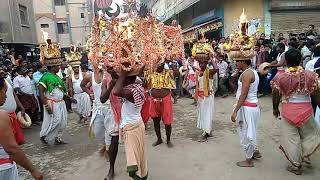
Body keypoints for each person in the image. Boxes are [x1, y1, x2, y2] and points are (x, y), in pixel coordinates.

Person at [271, 48, 320, 175]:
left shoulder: (280, 77)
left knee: (292, 139)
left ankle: (296, 165)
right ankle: (305, 155)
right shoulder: (311, 75)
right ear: (301, 60)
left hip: (288, 111)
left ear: (286, 61)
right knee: (309, 134)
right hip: (307, 110)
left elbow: (276, 94)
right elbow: (317, 94)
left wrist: (275, 108)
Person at [0, 68, 43, 180]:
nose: (5, 95)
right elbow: (12, 149)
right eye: (4, 92)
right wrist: (33, 170)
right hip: (3, 168)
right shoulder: (1, 115)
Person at [81, 64, 121, 180]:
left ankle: (111, 168)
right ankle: (106, 146)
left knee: (113, 136)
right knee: (98, 132)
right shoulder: (90, 75)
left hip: (112, 109)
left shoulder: (111, 74)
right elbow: (82, 85)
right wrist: (90, 93)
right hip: (98, 107)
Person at [113, 68, 148, 180]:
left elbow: (115, 92)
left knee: (134, 157)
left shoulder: (131, 91)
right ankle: (143, 174)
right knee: (139, 154)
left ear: (127, 79)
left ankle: (138, 176)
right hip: (136, 125)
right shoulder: (136, 87)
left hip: (132, 128)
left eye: (123, 78)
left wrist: (123, 73)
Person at [231, 51, 262, 167]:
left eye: (237, 61)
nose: (236, 64)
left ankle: (248, 160)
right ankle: (254, 152)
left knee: (245, 134)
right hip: (252, 107)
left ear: (243, 61)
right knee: (250, 131)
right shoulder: (251, 72)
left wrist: (235, 111)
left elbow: (243, 94)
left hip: (247, 108)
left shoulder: (247, 74)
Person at [38, 39, 68, 145]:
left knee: (63, 122)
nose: (59, 68)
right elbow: (40, 92)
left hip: (61, 102)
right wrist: (46, 105)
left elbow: (60, 90)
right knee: (56, 121)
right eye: (57, 66)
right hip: (52, 103)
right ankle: (44, 135)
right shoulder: (45, 77)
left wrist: (68, 97)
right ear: (52, 66)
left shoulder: (57, 76)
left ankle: (57, 138)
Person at [146, 60, 179, 148]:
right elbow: (144, 82)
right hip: (153, 100)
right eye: (156, 64)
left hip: (166, 100)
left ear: (164, 64)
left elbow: (177, 73)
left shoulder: (168, 72)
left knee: (167, 122)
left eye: (160, 64)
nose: (158, 66)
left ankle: (168, 140)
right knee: (155, 121)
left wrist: (170, 62)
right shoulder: (150, 72)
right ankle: (159, 139)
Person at [193, 45, 218, 141]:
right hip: (200, 97)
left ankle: (206, 132)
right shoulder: (199, 73)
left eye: (203, 63)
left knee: (207, 114)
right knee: (202, 114)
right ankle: (207, 130)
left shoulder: (210, 72)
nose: (201, 65)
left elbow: (216, 69)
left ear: (206, 64)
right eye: (200, 63)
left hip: (207, 97)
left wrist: (211, 58)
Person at [67, 57, 91, 123]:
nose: (76, 69)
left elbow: (89, 82)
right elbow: (70, 87)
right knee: (75, 108)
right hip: (76, 94)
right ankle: (81, 116)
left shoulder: (83, 74)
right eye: (74, 67)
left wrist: (86, 89)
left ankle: (85, 119)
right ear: (72, 68)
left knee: (85, 108)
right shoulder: (70, 77)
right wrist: (71, 97)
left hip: (84, 93)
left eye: (77, 67)